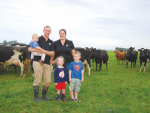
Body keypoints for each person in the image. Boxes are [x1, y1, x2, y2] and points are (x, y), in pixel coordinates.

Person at [28, 26, 54, 102]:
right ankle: (36, 97)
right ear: (43, 31)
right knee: (38, 80)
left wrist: (44, 51)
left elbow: (52, 53)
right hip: (37, 61)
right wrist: (36, 50)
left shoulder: (51, 42)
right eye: (46, 30)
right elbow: (29, 48)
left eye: (49, 31)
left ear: (50, 32)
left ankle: (43, 95)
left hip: (47, 63)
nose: (47, 32)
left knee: (48, 81)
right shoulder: (38, 39)